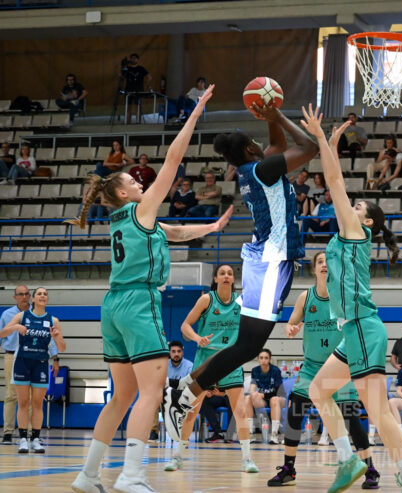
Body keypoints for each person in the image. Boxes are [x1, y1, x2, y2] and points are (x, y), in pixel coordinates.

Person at [68, 85, 234, 493]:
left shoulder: (132, 220)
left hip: (113, 305)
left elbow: (173, 231)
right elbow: (173, 162)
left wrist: (209, 227)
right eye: (133, 180)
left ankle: (87, 476)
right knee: (151, 391)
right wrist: (194, 116)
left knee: (121, 395)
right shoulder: (141, 209)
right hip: (140, 300)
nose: (141, 182)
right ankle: (131, 476)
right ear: (123, 193)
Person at [162, 99, 319, 447]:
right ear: (251, 149)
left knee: (247, 344)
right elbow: (308, 147)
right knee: (248, 345)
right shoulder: (262, 171)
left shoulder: (256, 170)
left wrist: (271, 118)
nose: (265, 146)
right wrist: (277, 114)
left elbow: (277, 146)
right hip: (271, 261)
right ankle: (184, 394)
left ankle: (185, 393)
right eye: (257, 143)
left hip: (269, 261)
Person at [300, 106, 402, 492]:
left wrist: (324, 140)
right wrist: (329, 144)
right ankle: (348, 461)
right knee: (318, 390)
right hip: (353, 331)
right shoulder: (347, 237)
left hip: (361, 328)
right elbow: (337, 184)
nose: (350, 206)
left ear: (368, 222)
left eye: (358, 207)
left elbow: (335, 181)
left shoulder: (357, 234)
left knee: (376, 408)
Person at [268, 251, 380, 488]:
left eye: (328, 262)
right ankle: (289, 468)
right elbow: (292, 320)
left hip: (338, 366)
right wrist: (291, 328)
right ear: (314, 268)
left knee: (350, 417)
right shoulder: (305, 297)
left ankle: (369, 468)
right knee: (295, 411)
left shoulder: (344, 296)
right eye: (320, 262)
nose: (324, 265)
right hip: (311, 367)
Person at [164, 264, 258, 473]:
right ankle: (177, 456)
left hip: (231, 360)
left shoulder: (241, 302)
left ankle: (247, 459)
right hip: (205, 360)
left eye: (230, 273)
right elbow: (185, 326)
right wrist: (198, 338)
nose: (226, 276)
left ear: (234, 279)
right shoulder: (206, 299)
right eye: (222, 273)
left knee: (240, 411)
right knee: (190, 413)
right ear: (215, 278)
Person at [0, 288, 66, 454]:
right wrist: (16, 327)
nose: (43, 296)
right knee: (22, 402)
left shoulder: (53, 320)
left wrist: (57, 337)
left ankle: (35, 439)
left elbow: (63, 348)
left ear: (47, 299)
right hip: (22, 362)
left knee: (37, 403)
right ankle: (22, 439)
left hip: (41, 364)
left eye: (45, 294)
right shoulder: (22, 316)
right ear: (34, 299)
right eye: (39, 294)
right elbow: (2, 333)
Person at [150, 340, 194, 442]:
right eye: (173, 351)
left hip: (182, 396)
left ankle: (182, 433)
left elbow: (190, 385)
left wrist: (169, 383)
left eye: (179, 351)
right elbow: (158, 383)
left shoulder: (189, 366)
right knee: (153, 399)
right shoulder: (163, 365)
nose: (176, 354)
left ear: (182, 352)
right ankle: (154, 432)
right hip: (164, 396)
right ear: (169, 353)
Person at [246, 349, 285, 444]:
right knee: (247, 398)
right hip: (263, 399)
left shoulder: (275, 370)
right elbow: (253, 386)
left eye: (266, 358)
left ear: (270, 360)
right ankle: (250, 434)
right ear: (258, 359)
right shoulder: (255, 370)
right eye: (261, 358)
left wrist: (263, 394)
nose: (263, 360)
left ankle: (274, 435)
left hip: (279, 398)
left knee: (274, 399)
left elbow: (278, 391)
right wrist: (253, 393)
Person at [122, 53, 152, 124]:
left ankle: (138, 121)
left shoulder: (141, 69)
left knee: (137, 106)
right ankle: (127, 122)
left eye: (135, 58)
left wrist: (146, 84)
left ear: (137, 60)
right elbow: (122, 76)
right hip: (129, 90)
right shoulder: (127, 69)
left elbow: (149, 77)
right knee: (128, 107)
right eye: (132, 58)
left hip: (138, 90)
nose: (133, 59)